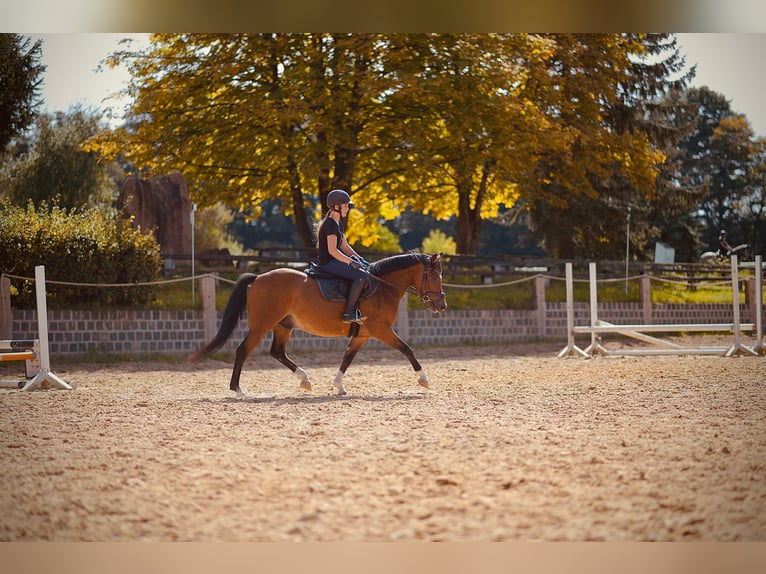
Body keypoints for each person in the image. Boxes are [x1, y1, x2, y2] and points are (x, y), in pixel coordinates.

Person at [315, 189, 370, 324]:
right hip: (328, 263)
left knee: (364, 271)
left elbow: (345, 246)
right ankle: (349, 313)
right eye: (345, 205)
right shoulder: (330, 225)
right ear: (336, 207)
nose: (348, 208)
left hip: (335, 260)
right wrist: (351, 262)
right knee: (361, 277)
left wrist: (361, 259)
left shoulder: (337, 223)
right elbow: (333, 250)